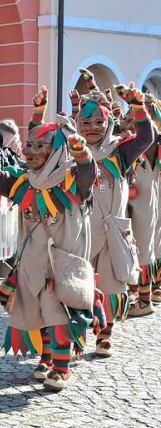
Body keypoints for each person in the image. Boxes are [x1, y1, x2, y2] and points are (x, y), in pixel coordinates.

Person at [0, 87, 97, 391]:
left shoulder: (72, 180)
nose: (29, 151)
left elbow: (88, 171)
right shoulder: (22, 182)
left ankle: (61, 366)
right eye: (28, 145)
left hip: (63, 262)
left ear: (55, 151)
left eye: (39, 147)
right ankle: (46, 357)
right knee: (39, 312)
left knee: (58, 311)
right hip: (31, 262)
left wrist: (82, 153)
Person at [72, 71, 155, 356]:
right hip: (78, 234)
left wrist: (138, 108)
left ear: (108, 123)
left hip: (111, 234)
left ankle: (105, 334)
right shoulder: (71, 153)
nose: (92, 128)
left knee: (110, 283)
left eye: (99, 122)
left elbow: (145, 137)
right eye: (86, 122)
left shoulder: (119, 153)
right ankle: (77, 333)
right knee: (77, 285)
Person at [121, 90, 161, 317]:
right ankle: (135, 292)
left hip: (144, 201)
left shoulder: (151, 138)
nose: (127, 123)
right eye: (126, 119)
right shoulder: (130, 142)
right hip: (132, 200)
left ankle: (145, 301)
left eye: (131, 119)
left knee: (144, 248)